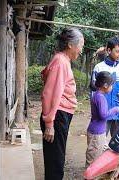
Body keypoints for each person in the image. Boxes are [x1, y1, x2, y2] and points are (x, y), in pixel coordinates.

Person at [40, 27, 84, 180]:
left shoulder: (63, 60)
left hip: (60, 115)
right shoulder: (60, 61)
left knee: (56, 159)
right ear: (71, 45)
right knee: (55, 162)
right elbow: (51, 93)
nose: (81, 50)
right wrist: (49, 123)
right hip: (57, 116)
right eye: (81, 46)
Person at [90, 36, 119, 137]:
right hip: (103, 113)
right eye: (117, 51)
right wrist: (95, 112)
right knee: (99, 139)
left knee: (116, 141)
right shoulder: (99, 67)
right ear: (109, 50)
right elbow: (93, 90)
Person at [85, 71, 119, 168]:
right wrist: (115, 109)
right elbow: (103, 115)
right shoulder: (100, 97)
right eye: (111, 85)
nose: (112, 87)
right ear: (105, 85)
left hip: (98, 131)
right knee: (92, 160)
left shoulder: (97, 95)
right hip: (96, 133)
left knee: (105, 152)